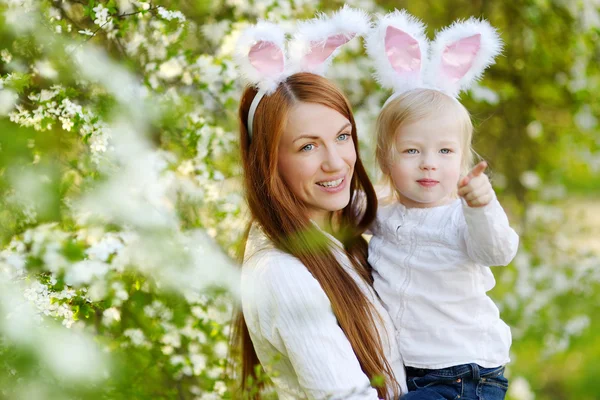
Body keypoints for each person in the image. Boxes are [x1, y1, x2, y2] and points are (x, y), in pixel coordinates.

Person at [231, 8, 406, 400]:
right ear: (269, 161)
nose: (336, 161)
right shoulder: (281, 273)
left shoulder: (340, 231)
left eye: (342, 137)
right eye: (307, 146)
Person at [364, 10, 519, 400]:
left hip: (464, 372)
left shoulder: (459, 216)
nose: (429, 162)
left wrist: (481, 206)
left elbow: (497, 251)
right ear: (385, 160)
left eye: (445, 150)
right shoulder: (382, 212)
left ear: (463, 160)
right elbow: (343, 211)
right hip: (408, 370)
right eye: (412, 150)